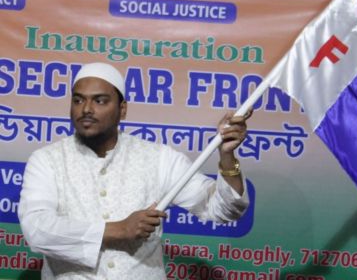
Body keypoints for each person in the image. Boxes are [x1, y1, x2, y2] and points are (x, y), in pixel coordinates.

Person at [18, 62, 251, 279]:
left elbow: (222, 209)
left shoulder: (158, 158)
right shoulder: (47, 160)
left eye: (100, 101)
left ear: (122, 109)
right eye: (78, 100)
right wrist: (118, 230)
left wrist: (227, 157)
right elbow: (36, 229)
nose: (86, 109)